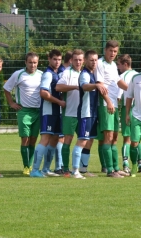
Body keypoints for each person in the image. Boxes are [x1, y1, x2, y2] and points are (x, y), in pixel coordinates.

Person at [3, 52, 42, 175]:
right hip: (24, 111)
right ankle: (26, 166)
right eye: (30, 62)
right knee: (25, 138)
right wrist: (11, 103)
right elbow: (6, 88)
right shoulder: (18, 74)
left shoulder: (42, 75)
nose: (32, 65)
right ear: (25, 62)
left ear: (38, 63)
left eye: (35, 62)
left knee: (33, 140)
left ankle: (30, 166)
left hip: (38, 111)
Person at [94, 40, 129, 177]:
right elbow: (100, 85)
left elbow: (118, 82)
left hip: (114, 104)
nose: (113, 54)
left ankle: (116, 167)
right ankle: (109, 170)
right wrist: (108, 101)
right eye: (110, 51)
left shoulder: (113, 65)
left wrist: (133, 90)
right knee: (108, 137)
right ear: (105, 50)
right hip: (105, 105)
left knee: (115, 137)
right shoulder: (100, 64)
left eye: (115, 51)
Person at [71, 50, 107, 178]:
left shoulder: (94, 74)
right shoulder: (85, 74)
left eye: (96, 60)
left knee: (90, 140)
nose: (94, 62)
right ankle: (75, 171)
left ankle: (83, 169)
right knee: (82, 140)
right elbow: (85, 86)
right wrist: (96, 86)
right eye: (91, 60)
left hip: (93, 112)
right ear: (86, 61)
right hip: (85, 112)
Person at [30, 49, 65, 177]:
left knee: (55, 139)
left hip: (57, 111)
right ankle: (34, 170)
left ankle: (45, 169)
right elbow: (43, 93)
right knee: (45, 139)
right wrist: (59, 102)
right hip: (48, 111)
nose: (57, 62)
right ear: (49, 59)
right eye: (55, 59)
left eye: (59, 59)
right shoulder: (48, 74)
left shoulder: (59, 73)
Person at [56, 49, 84, 178]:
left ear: (83, 61)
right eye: (75, 59)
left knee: (84, 140)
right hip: (70, 113)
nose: (78, 62)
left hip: (83, 113)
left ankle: (78, 169)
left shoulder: (86, 73)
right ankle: (66, 169)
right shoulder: (67, 73)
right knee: (68, 140)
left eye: (80, 59)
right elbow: (58, 87)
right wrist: (74, 86)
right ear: (71, 60)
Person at [117, 54, 141, 173]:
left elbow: (119, 96)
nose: (118, 67)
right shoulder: (136, 75)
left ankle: (126, 164)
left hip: (128, 109)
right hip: (137, 111)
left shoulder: (123, 76)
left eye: (119, 64)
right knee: (136, 141)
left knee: (128, 139)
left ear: (125, 64)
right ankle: (140, 164)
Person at [126, 54, 141, 177]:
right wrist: (127, 113)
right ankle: (134, 165)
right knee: (134, 143)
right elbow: (129, 96)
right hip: (137, 116)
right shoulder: (135, 78)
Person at [54, 51, 72, 174]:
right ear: (71, 61)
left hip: (64, 108)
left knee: (62, 136)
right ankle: (59, 166)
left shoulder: (62, 71)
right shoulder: (63, 72)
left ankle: (60, 166)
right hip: (61, 107)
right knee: (61, 137)